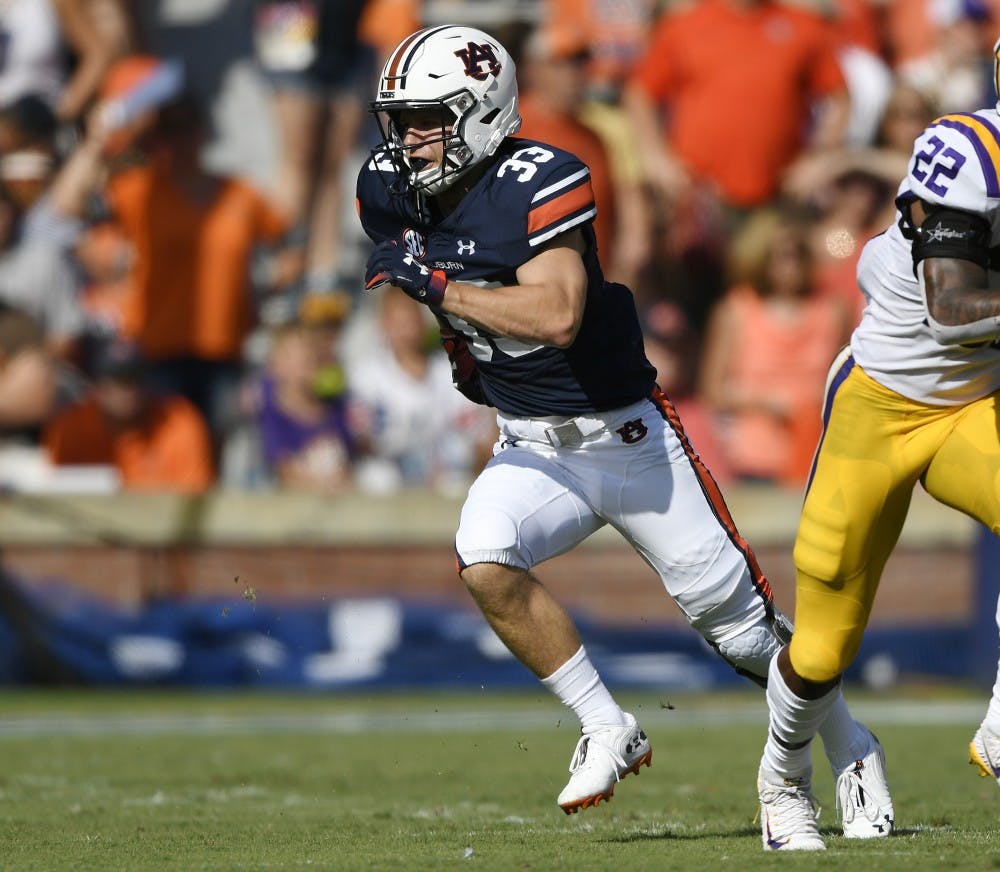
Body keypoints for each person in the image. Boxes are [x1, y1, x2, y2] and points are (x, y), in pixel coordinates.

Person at [356, 25, 891, 829]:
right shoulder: (388, 186)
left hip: (628, 439)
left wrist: (437, 288)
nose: (408, 140)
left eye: (428, 118)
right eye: (401, 120)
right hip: (531, 441)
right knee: (484, 559)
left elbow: (559, 313)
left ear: (481, 113)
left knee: (746, 637)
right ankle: (606, 725)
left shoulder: (543, 178)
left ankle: (852, 744)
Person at [754, 35, 1000, 853]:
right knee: (823, 639)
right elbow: (952, 304)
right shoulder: (967, 147)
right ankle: (783, 780)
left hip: (977, 406)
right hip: (883, 402)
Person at [43, 339, 215, 492]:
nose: (127, 391)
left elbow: (195, 498)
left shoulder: (178, 420)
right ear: (97, 387)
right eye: (117, 380)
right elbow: (56, 491)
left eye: (134, 379)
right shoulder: (72, 426)